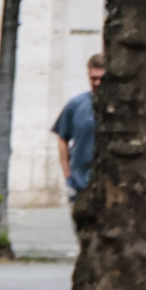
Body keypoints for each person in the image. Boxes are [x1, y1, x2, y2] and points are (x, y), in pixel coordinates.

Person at [53, 54, 104, 202]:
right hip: (80, 184)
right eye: (93, 78)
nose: (97, 83)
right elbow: (62, 138)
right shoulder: (76, 105)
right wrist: (68, 176)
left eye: (101, 78)